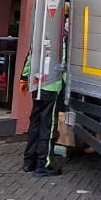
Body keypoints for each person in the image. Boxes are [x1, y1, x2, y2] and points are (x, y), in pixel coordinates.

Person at [19, 28, 67, 178]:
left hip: (37, 85)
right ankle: (43, 164)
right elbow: (63, 63)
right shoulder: (60, 38)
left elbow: (30, 57)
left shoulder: (39, 35)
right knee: (48, 126)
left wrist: (24, 78)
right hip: (52, 87)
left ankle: (29, 162)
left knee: (35, 123)